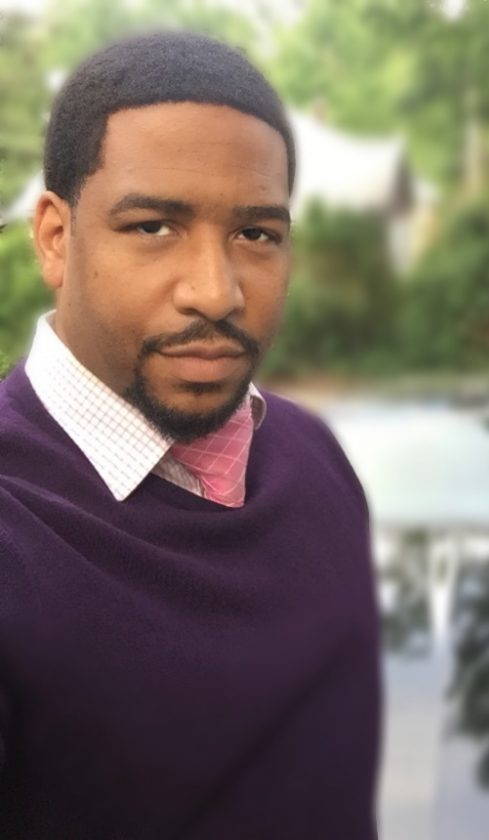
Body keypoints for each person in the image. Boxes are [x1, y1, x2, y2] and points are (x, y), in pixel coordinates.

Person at [0, 31, 381, 839]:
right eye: (153, 227)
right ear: (56, 239)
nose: (216, 292)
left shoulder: (313, 459)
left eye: (256, 234)